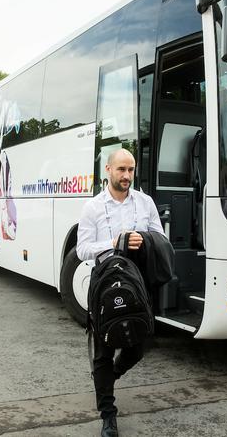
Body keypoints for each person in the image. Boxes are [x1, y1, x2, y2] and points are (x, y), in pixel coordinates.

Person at [77, 148, 166, 437]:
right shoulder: (92, 207)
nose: (127, 176)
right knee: (104, 349)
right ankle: (108, 416)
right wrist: (112, 242)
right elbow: (81, 249)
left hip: (138, 283)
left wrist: (147, 238)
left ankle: (107, 379)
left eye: (131, 170)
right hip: (105, 281)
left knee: (138, 346)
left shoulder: (145, 202)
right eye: (121, 170)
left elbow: (161, 238)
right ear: (108, 169)